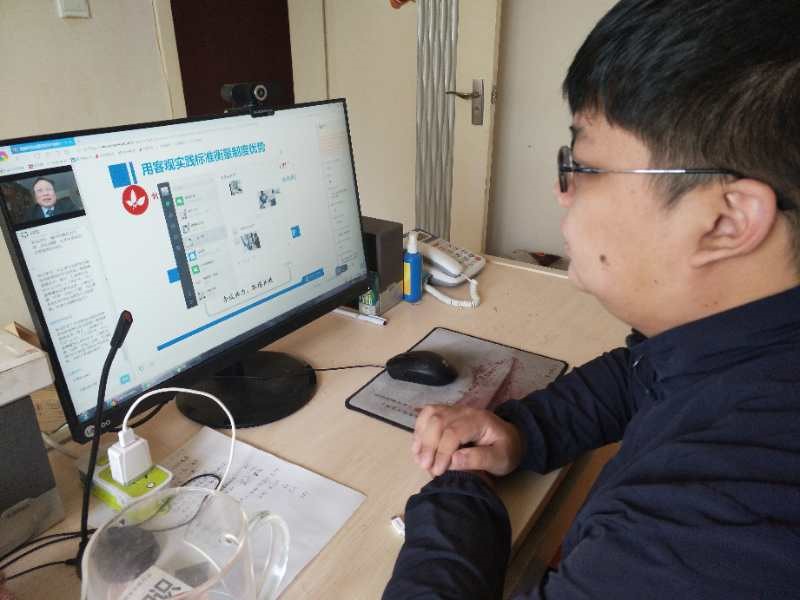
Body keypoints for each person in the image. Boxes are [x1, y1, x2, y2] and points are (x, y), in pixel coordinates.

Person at [383, 1, 800, 598]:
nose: (563, 192)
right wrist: (522, 431)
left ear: (726, 222)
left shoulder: (714, 529)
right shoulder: (749, 340)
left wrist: (457, 489)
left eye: (582, 165)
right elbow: (644, 373)